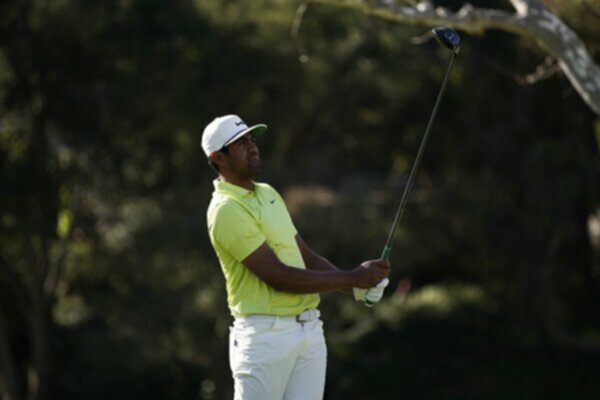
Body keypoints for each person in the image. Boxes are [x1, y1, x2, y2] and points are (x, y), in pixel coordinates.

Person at [203, 114, 391, 400]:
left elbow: (306, 258)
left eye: (251, 140)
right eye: (240, 144)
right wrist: (353, 277)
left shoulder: (268, 193)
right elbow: (279, 277)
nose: (252, 147)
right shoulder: (226, 209)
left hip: (309, 332)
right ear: (218, 157)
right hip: (265, 337)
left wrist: (356, 287)